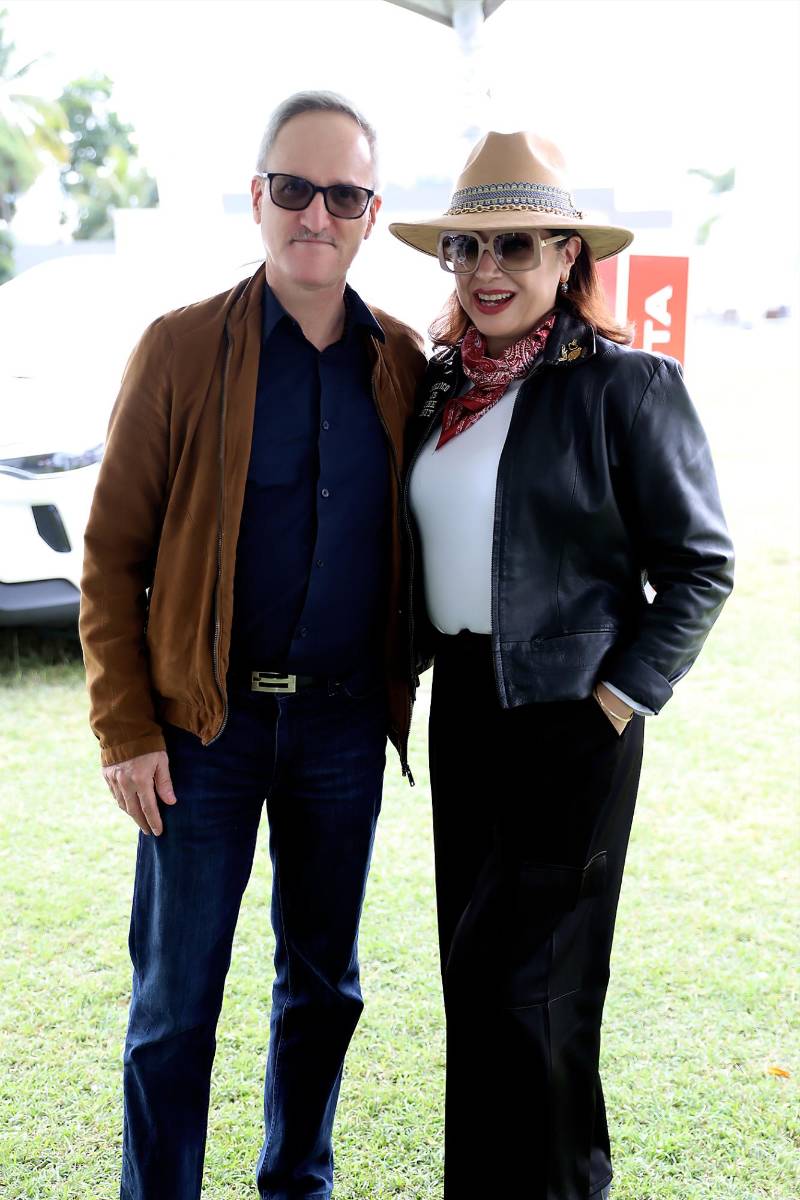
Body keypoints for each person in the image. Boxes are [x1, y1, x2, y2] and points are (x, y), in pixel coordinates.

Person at [79, 91, 425, 1200]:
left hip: (336, 730)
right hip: (200, 730)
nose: (313, 214)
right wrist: (126, 729)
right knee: (175, 1004)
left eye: (341, 194)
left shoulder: (402, 364)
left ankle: (297, 1185)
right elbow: (109, 556)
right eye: (292, 189)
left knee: (323, 988)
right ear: (256, 197)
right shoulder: (180, 350)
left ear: (370, 212)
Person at [390, 131, 734, 1199]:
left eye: (517, 248)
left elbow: (701, 565)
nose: (487, 272)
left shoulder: (626, 385)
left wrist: (615, 702)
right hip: (465, 711)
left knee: (535, 991)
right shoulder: (438, 387)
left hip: (570, 721)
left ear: (567, 261)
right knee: (472, 980)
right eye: (466, 249)